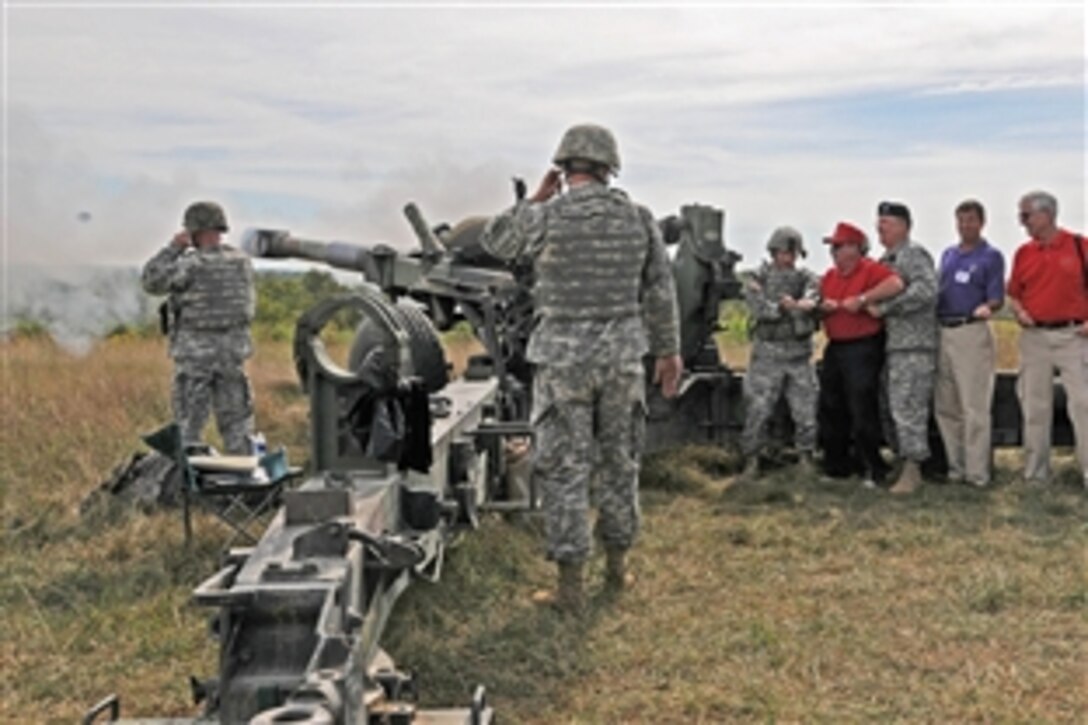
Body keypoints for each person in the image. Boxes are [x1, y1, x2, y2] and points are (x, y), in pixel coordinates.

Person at [480, 123, 683, 613]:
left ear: (565, 166)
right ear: (610, 167)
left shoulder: (548, 217)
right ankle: (618, 568)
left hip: (563, 360)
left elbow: (495, 242)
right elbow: (660, 289)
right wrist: (668, 352)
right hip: (621, 359)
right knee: (620, 463)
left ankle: (570, 587)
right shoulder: (638, 218)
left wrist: (535, 199)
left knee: (564, 469)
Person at [142, 201, 257, 455]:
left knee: (188, 428)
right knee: (238, 425)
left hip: (196, 358)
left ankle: (189, 485)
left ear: (195, 231)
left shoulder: (191, 265)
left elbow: (151, 281)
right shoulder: (241, 262)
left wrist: (174, 248)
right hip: (232, 355)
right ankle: (246, 482)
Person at [1006, 190, 1088, 489]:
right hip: (1035, 337)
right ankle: (1036, 473)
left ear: (1046, 215)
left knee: (1083, 404)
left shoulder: (1080, 246)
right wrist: (1019, 311)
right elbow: (1014, 292)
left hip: (1073, 335)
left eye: (1025, 215)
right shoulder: (1023, 253)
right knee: (1034, 405)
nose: (1021, 221)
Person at [817, 222, 904, 487]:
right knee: (831, 404)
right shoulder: (830, 276)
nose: (833, 251)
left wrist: (864, 299)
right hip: (836, 345)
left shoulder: (870, 270)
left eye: (838, 246)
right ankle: (837, 465)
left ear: (855, 248)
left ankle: (873, 467)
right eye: (833, 247)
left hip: (863, 346)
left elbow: (896, 284)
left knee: (861, 405)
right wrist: (824, 308)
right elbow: (818, 302)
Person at [737, 226, 820, 483]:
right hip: (767, 356)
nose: (789, 258)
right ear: (774, 251)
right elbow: (759, 308)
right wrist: (783, 308)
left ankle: (805, 459)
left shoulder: (806, 277)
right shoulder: (757, 278)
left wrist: (802, 304)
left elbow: (813, 297)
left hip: (798, 355)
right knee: (758, 410)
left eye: (793, 252)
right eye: (785, 252)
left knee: (805, 410)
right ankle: (751, 460)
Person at [866, 201, 938, 494]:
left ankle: (913, 469)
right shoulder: (885, 260)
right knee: (892, 407)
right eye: (879, 223)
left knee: (908, 408)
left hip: (914, 346)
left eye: (887, 223)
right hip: (893, 347)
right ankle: (902, 462)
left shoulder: (912, 255)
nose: (880, 228)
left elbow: (926, 290)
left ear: (904, 226)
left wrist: (886, 308)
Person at [934, 200, 1005, 487]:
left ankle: (977, 473)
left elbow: (996, 296)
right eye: (961, 220)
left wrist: (988, 307)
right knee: (946, 405)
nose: (965, 226)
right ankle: (955, 467)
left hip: (971, 330)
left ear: (982, 222)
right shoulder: (948, 255)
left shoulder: (990, 256)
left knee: (974, 406)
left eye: (971, 220)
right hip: (944, 330)